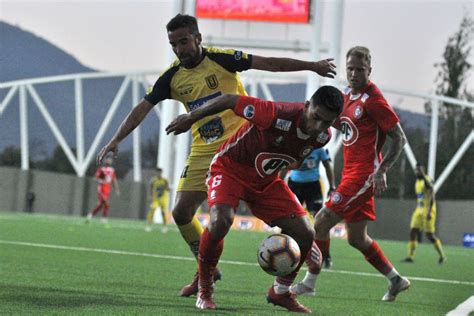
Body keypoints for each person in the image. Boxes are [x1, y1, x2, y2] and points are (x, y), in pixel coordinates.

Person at [96, 13, 337, 296]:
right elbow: (143, 107)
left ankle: (214, 273)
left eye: (184, 41)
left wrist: (313, 66)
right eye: (173, 44)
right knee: (181, 211)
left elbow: (269, 64)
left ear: (198, 38)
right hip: (204, 149)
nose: (179, 49)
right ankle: (207, 269)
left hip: (242, 144)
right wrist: (115, 139)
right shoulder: (172, 77)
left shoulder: (222, 59)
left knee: (235, 211)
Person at [166, 85, 344, 312]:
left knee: (306, 233)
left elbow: (293, 158)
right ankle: (205, 288)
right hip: (229, 169)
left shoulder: (322, 137)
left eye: (326, 122)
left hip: (266, 181)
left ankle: (280, 293)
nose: (318, 126)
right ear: (307, 106)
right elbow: (230, 99)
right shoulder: (274, 112)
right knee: (221, 220)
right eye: (316, 117)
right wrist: (190, 118)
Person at [290, 46, 411, 302]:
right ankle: (396, 280)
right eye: (350, 69)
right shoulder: (345, 96)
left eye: (360, 69)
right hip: (350, 174)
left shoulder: (374, 101)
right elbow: (338, 124)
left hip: (364, 176)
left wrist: (382, 170)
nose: (354, 73)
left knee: (320, 222)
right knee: (357, 239)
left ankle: (310, 282)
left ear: (370, 70)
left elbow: (399, 138)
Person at [286, 148, 336, 268]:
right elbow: (285, 166)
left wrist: (332, 186)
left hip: (312, 187)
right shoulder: (297, 144)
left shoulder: (319, 149)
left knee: (320, 220)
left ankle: (325, 254)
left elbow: (328, 165)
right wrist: (278, 183)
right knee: (288, 217)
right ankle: (288, 252)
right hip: (294, 185)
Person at [402, 164, 446, 264]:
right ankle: (410, 256)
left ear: (423, 171)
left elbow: (431, 194)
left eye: (419, 170)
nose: (417, 172)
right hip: (419, 209)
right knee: (413, 231)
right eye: (416, 170)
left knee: (429, 235)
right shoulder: (417, 182)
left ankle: (442, 256)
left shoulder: (427, 180)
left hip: (429, 210)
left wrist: (430, 211)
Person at [86, 157, 120, 224]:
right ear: (105, 161)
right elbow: (95, 178)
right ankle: (103, 219)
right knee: (106, 203)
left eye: (110, 160)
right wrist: (102, 180)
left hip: (107, 189)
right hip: (101, 189)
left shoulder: (112, 170)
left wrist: (117, 189)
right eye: (108, 159)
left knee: (101, 205)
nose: (109, 161)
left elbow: (114, 180)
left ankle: (90, 215)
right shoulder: (101, 169)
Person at [145, 167, 170, 233]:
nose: (158, 173)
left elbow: (168, 189)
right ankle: (148, 225)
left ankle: (164, 226)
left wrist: (167, 188)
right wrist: (150, 196)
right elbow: (150, 188)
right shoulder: (153, 180)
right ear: (156, 173)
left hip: (163, 199)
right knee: (152, 211)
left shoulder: (165, 180)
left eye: (160, 172)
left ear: (161, 173)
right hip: (155, 199)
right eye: (157, 172)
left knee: (163, 213)